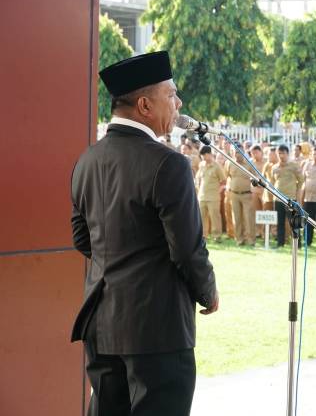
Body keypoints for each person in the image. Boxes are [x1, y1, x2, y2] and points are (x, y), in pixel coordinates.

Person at [71, 51, 218, 415]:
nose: (178, 102)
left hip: (101, 324)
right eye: (170, 94)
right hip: (158, 329)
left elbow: (82, 239)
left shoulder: (87, 160)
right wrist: (208, 292)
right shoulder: (169, 163)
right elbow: (187, 249)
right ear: (144, 105)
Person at [270, 145, 303, 248]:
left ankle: (298, 245)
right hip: (278, 199)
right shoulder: (274, 167)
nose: (281, 155)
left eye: (283, 153)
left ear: (287, 154)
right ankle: (280, 243)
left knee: (294, 223)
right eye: (279, 153)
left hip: (291, 199)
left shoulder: (294, 166)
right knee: (279, 222)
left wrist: (296, 191)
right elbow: (273, 181)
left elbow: (301, 180)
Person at [224, 147, 255, 246]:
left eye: (240, 152)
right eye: (236, 152)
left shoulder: (249, 164)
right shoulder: (229, 163)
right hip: (234, 194)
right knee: (236, 218)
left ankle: (250, 240)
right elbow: (228, 176)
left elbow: (255, 177)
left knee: (248, 218)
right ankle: (239, 239)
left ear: (244, 152)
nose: (238, 154)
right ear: (233, 153)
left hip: (246, 194)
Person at [196, 146, 226, 242]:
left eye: (204, 155)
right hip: (202, 196)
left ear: (209, 154)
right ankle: (203, 236)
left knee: (215, 217)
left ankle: (217, 236)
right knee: (202, 217)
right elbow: (198, 178)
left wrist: (217, 192)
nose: (203, 157)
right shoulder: (201, 165)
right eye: (202, 156)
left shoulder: (217, 166)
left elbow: (223, 181)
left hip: (213, 197)